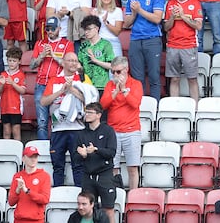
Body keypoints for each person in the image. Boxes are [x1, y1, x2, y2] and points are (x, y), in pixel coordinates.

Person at [39, 51, 93, 187]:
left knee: (79, 166)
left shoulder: (82, 78)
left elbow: (90, 101)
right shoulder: (54, 79)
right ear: (63, 63)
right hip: (58, 128)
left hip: (78, 129)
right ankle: (58, 197)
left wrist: (72, 90)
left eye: (76, 61)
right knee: (57, 166)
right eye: (70, 60)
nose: (74, 63)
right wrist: (61, 91)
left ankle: (80, 199)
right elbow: (43, 102)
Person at [100, 56, 143, 190]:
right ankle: (116, 195)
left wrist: (124, 90)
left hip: (132, 130)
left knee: (132, 168)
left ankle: (133, 197)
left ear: (126, 70)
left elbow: (135, 104)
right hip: (114, 132)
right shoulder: (109, 85)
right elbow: (102, 106)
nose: (115, 75)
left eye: (118, 72)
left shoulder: (136, 84)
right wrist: (114, 93)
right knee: (113, 167)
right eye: (113, 72)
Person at [30, 17, 73, 140]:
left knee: (58, 119)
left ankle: (57, 148)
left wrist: (54, 56)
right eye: (47, 28)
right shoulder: (40, 43)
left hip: (58, 85)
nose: (50, 31)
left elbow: (69, 65)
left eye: (53, 28)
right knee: (42, 122)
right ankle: (43, 150)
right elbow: (32, 65)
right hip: (41, 84)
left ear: (59, 28)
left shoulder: (67, 44)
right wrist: (42, 55)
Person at [124, 0, 164, 101]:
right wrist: (135, 13)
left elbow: (157, 19)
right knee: (137, 77)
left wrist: (139, 10)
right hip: (135, 39)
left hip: (152, 39)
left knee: (153, 75)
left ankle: (155, 107)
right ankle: (139, 106)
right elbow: (126, 24)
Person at [75, 102, 117, 223]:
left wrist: (97, 150)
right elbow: (75, 157)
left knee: (108, 209)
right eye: (86, 112)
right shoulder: (81, 134)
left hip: (105, 175)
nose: (86, 115)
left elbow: (111, 152)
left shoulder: (108, 131)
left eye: (90, 112)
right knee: (87, 210)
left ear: (98, 115)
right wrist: (81, 155)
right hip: (88, 176)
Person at [163, 0, 203, 99]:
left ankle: (195, 108)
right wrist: (172, 17)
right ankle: (175, 108)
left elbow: (199, 26)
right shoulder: (170, 4)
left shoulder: (195, 3)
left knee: (192, 79)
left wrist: (183, 16)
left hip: (189, 45)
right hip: (172, 45)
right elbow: (166, 27)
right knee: (174, 79)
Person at [7, 145, 51, 223]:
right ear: (23, 159)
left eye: (35, 157)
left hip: (36, 220)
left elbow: (45, 199)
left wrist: (27, 191)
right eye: (30, 157)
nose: (33, 159)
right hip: (19, 220)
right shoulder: (17, 176)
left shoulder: (44, 176)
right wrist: (17, 190)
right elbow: (11, 202)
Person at [77, 15, 114, 96]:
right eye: (85, 29)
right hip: (87, 85)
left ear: (97, 29)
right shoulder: (83, 46)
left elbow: (111, 65)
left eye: (89, 29)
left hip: (101, 86)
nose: (86, 32)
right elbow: (80, 65)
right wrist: (79, 68)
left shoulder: (106, 44)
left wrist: (95, 61)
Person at [0, 50, 27, 136]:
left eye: (14, 61)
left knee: (16, 130)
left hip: (16, 107)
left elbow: (23, 91)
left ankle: (17, 149)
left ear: (19, 61)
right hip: (5, 106)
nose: (11, 63)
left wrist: (13, 83)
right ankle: (6, 149)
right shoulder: (3, 74)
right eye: (9, 60)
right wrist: (2, 85)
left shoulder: (21, 75)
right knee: (6, 130)